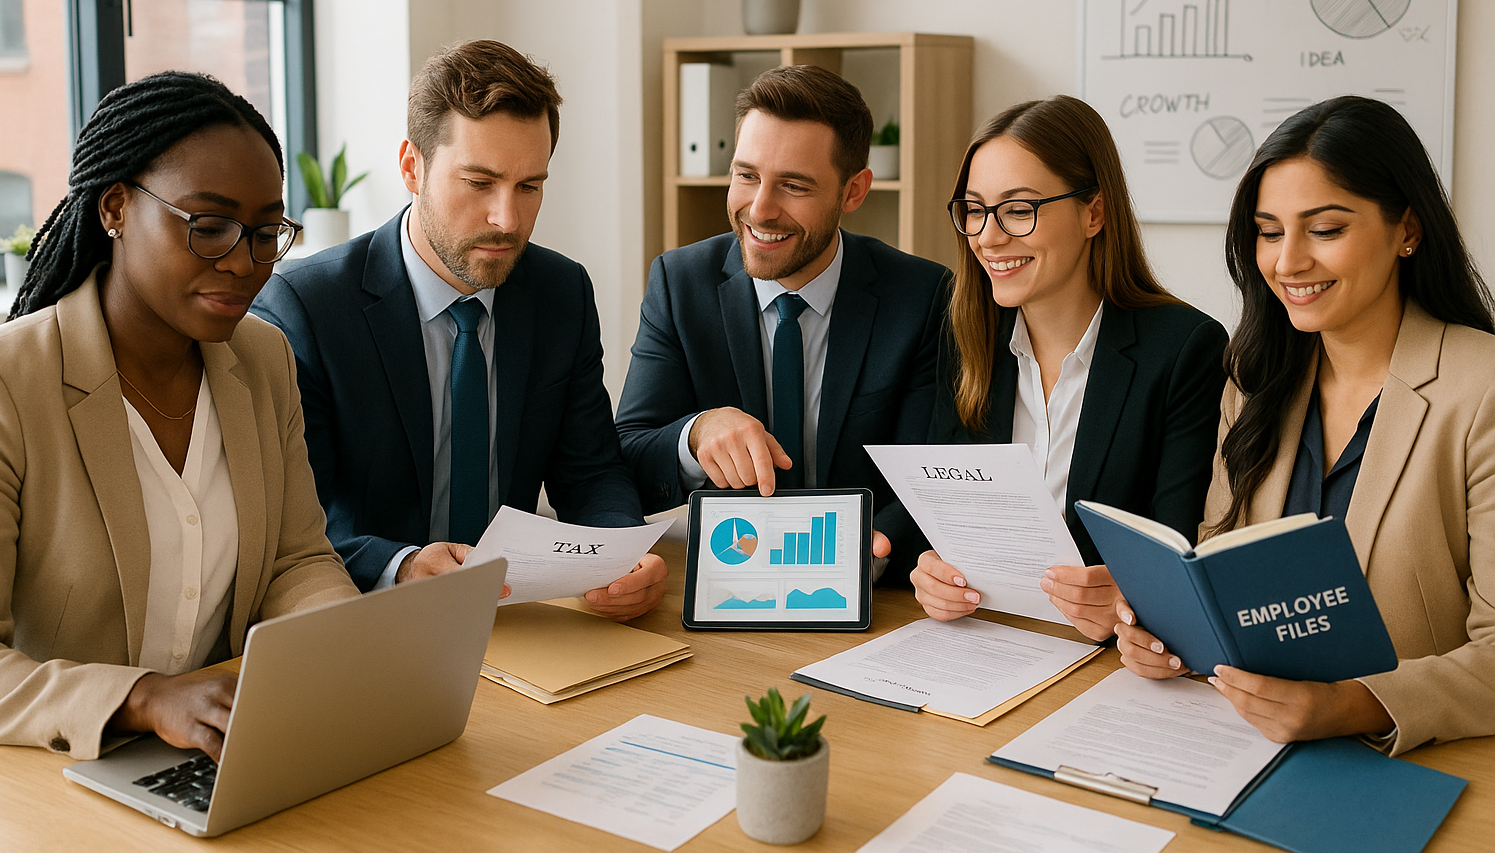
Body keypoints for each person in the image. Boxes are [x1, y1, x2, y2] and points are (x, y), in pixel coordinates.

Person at [0, 72, 358, 762]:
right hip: (55, 771)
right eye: (209, 227)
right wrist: (142, 698)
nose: (244, 263)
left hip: (218, 751)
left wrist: (348, 648)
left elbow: (297, 561)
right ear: (115, 207)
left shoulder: (263, 359)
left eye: (266, 233)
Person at [1115, 95, 1495, 755]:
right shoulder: (1255, 374)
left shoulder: (1481, 387)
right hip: (1239, 738)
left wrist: (1350, 705)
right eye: (1268, 232)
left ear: (1407, 229)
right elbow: (1217, 559)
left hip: (1417, 758)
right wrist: (1164, 630)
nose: (1288, 262)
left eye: (1323, 230)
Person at [251, 40, 665, 620]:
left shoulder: (560, 292)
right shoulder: (307, 307)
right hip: (370, 619)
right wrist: (402, 565)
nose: (508, 219)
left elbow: (590, 469)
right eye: (479, 182)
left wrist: (623, 550)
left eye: (529, 186)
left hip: (516, 616)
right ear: (411, 167)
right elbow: (288, 526)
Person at [901, 95, 1228, 640]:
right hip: (984, 644)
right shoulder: (966, 339)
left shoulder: (1185, 349)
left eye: (1018, 209)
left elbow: (1183, 554)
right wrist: (933, 573)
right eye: (975, 209)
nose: (988, 236)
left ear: (1094, 212)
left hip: (1111, 665)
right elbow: (947, 522)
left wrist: (1129, 599)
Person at [614, 64, 950, 544]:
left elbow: (933, 471)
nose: (760, 209)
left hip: (871, 584)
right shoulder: (679, 282)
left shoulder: (923, 295)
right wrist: (696, 434)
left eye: (793, 185)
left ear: (853, 190)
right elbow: (625, 458)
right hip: (727, 569)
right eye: (747, 175)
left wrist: (878, 543)